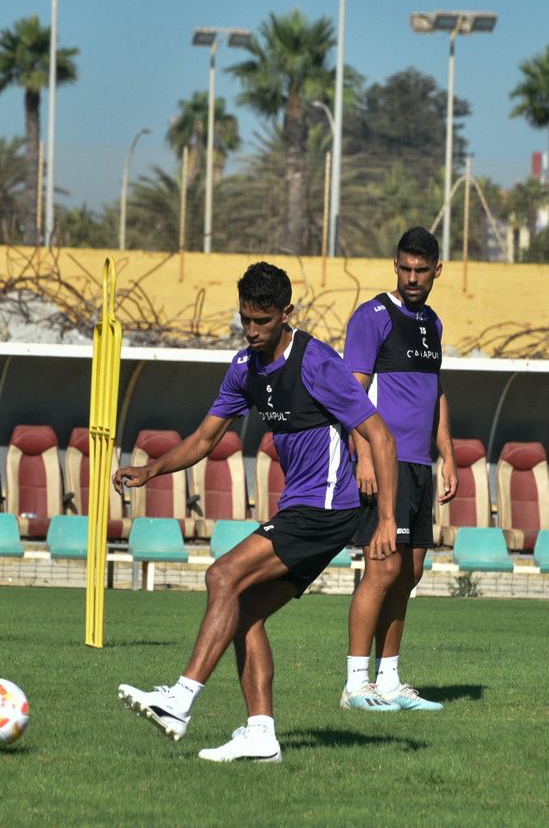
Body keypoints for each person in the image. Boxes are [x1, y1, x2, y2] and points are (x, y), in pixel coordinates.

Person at [116, 262, 400, 763]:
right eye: (245, 319)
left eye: (262, 321)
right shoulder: (244, 368)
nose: (251, 331)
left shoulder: (317, 363)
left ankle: (180, 701)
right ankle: (262, 735)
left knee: (222, 575)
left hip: (326, 508)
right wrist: (152, 469)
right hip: (303, 508)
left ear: (286, 313)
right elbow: (205, 439)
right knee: (243, 611)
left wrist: (386, 520)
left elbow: (381, 436)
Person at [340, 226, 457, 713]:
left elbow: (436, 390)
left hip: (418, 465)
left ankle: (389, 680)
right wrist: (364, 455)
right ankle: (354, 684)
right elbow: (348, 393)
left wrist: (447, 453)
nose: (412, 278)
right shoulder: (371, 317)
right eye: (405, 269)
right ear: (395, 265)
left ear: (436, 271)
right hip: (382, 463)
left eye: (421, 271)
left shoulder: (432, 322)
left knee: (409, 572)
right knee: (383, 569)